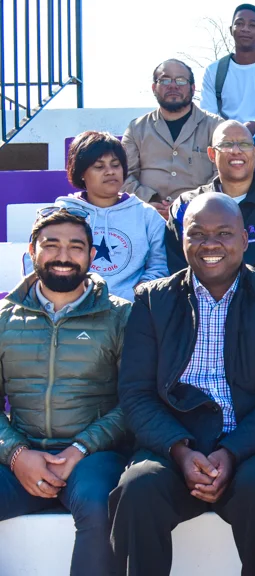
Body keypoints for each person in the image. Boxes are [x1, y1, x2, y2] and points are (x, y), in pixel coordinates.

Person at [110, 194, 255, 576]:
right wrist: (180, 452)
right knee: (137, 490)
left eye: (223, 233)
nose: (210, 244)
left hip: (251, 443)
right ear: (182, 239)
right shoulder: (153, 301)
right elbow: (136, 392)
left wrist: (232, 452)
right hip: (173, 444)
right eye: (197, 234)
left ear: (244, 240)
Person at [0, 207, 132, 576]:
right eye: (51, 245)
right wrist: (16, 454)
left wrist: (81, 448)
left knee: (99, 504)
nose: (63, 256)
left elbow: (135, 401)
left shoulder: (121, 316)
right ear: (31, 251)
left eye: (76, 247)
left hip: (94, 456)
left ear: (92, 256)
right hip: (22, 453)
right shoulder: (3, 318)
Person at [166, 120, 255, 287]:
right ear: (212, 154)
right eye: (226, 144)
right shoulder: (186, 206)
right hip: (200, 306)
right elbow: (179, 271)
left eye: (244, 144)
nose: (236, 151)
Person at [55, 130, 167, 301]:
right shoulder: (63, 213)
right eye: (99, 167)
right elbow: (39, 261)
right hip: (74, 309)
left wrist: (136, 296)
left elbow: (160, 265)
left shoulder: (146, 215)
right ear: (81, 174)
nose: (110, 172)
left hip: (132, 312)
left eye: (115, 165)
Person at [122, 59, 223, 219]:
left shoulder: (216, 127)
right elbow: (123, 175)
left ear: (193, 88)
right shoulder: (137, 128)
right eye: (165, 80)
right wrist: (148, 200)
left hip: (201, 215)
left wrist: (189, 202)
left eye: (181, 80)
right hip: (146, 215)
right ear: (154, 88)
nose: (173, 85)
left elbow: (223, 174)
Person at [199, 4, 255, 138]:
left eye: (252, 25)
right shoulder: (214, 71)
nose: (245, 29)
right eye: (239, 23)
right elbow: (208, 117)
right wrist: (234, 132)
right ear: (231, 30)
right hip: (225, 142)